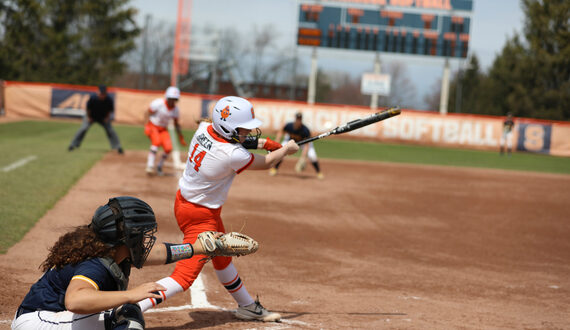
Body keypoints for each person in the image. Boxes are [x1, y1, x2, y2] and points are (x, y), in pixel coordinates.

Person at [137, 96, 298, 322]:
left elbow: (237, 141)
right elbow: (268, 162)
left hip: (187, 203)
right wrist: (286, 149)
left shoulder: (206, 128)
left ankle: (247, 305)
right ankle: (133, 306)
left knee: (222, 258)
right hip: (201, 217)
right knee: (183, 277)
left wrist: (268, 143)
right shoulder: (233, 155)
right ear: (228, 127)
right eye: (243, 129)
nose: (247, 133)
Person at [11, 196, 251, 330]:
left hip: (52, 320)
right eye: (142, 234)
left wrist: (198, 248)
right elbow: (75, 300)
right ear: (127, 237)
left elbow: (158, 252)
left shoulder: (111, 247)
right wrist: (132, 294)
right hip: (38, 323)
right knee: (125, 315)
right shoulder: (95, 263)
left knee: (121, 312)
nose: (146, 238)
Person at [68, 85, 124, 154]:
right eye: (101, 94)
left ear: (106, 93)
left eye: (104, 94)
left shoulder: (109, 100)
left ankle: (118, 147)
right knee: (83, 128)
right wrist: (89, 117)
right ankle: (73, 145)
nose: (102, 95)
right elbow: (88, 109)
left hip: (103, 117)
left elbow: (109, 111)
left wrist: (106, 118)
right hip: (91, 116)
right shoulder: (93, 98)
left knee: (110, 130)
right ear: (98, 92)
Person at [144, 86, 186, 176]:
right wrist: (146, 125)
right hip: (153, 126)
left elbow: (176, 123)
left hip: (163, 129)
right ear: (167, 97)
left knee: (168, 148)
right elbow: (147, 112)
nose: (172, 101)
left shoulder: (175, 110)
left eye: (175, 99)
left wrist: (180, 136)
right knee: (156, 142)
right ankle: (150, 166)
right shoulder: (158, 103)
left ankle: (159, 166)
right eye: (171, 98)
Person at [269, 112, 324, 179]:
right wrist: (277, 141)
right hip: (291, 141)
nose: (298, 120)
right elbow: (281, 131)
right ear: (295, 119)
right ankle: (275, 169)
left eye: (300, 119)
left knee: (312, 156)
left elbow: (307, 145)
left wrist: (303, 158)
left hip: (304, 143)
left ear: (301, 120)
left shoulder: (305, 130)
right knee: (281, 151)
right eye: (297, 119)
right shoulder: (289, 126)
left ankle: (319, 172)